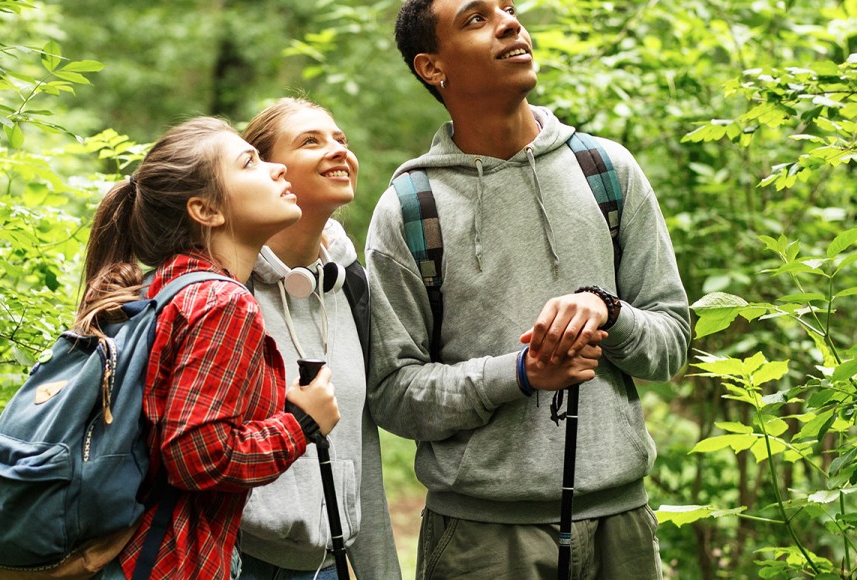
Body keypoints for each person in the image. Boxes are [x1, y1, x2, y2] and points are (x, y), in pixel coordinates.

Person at [365, 0, 691, 577]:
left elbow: (672, 343)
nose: (511, 23)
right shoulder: (411, 210)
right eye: (476, 18)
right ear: (432, 67)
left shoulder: (607, 171)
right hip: (480, 541)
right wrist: (519, 375)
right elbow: (393, 393)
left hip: (623, 525)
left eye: (509, 9)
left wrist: (609, 312)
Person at [78, 116, 342, 579]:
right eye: (251, 163)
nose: (276, 170)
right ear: (206, 210)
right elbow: (199, 457)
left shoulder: (166, 287)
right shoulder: (222, 301)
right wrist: (301, 423)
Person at [231, 98, 401, 579]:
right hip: (240, 563)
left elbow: (360, 446)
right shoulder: (225, 289)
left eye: (340, 140)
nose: (337, 151)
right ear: (265, 169)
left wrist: (379, 571)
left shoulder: (351, 285)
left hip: (329, 566)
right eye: (311, 141)